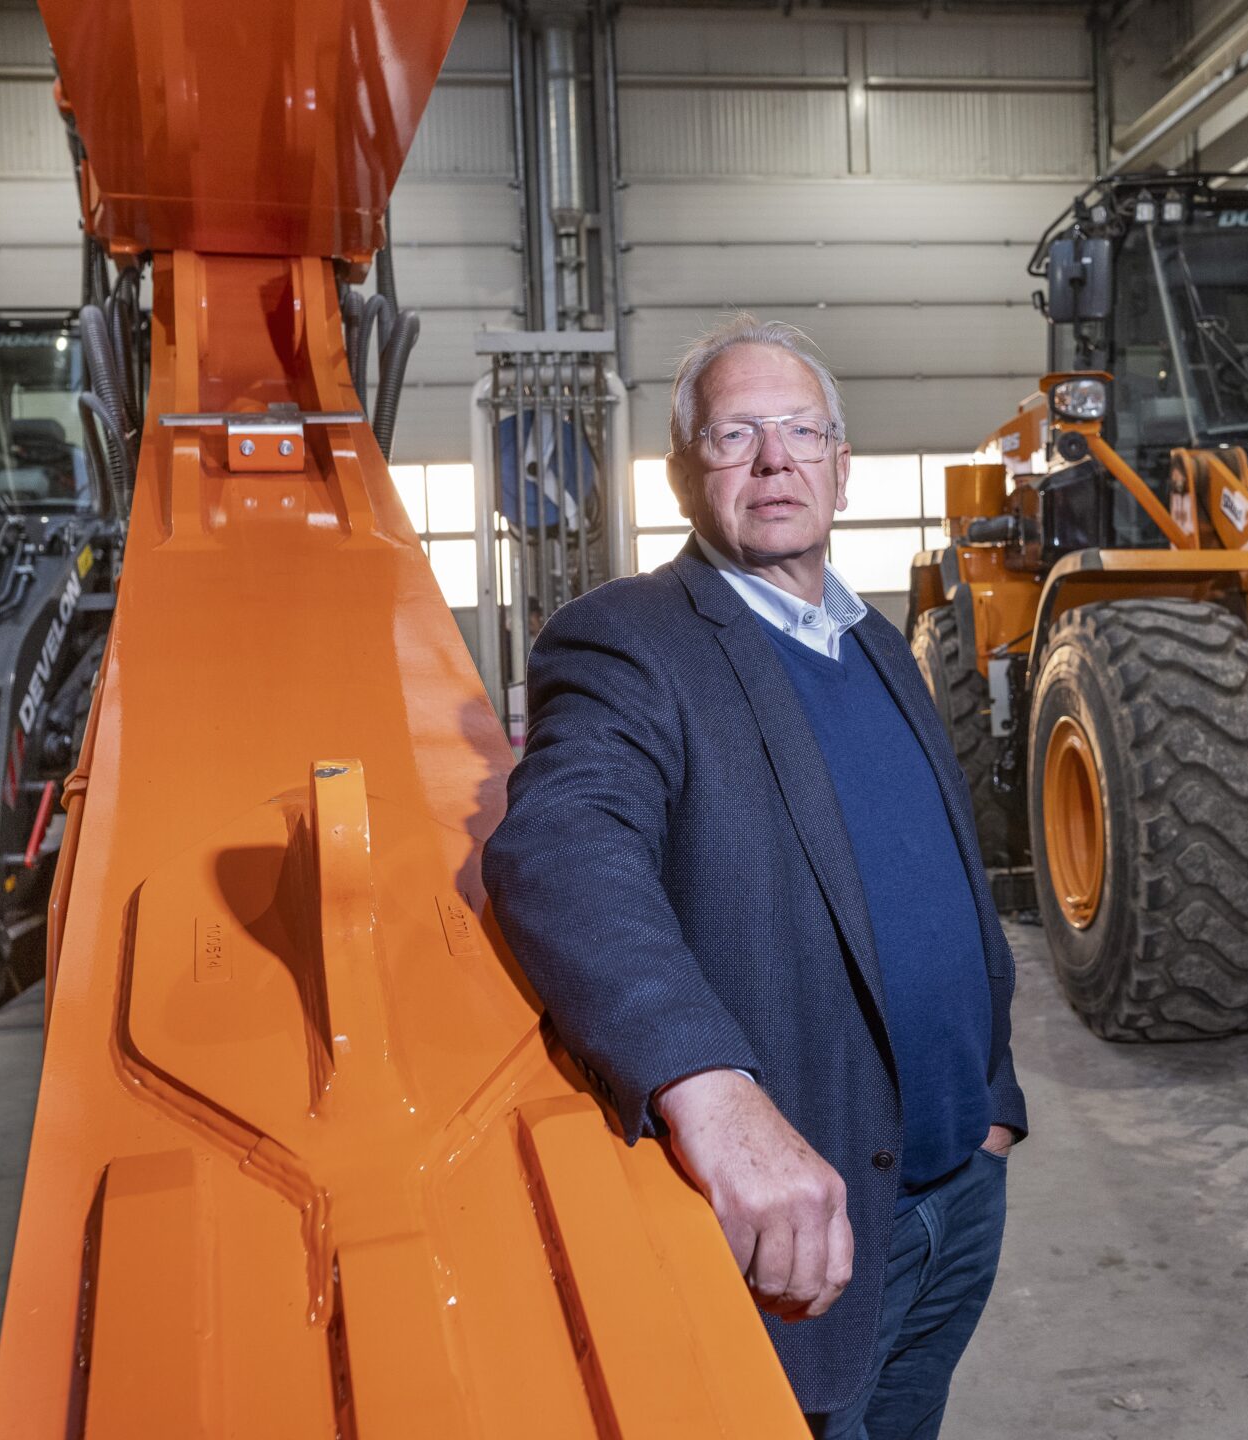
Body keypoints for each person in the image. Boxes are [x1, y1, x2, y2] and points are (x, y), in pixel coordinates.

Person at [483, 314, 1026, 1437]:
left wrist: (996, 1103)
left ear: (841, 465)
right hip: (817, 1218)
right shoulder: (628, 641)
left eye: (800, 431)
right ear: (686, 475)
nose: (775, 460)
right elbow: (562, 847)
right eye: (736, 435)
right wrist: (713, 1093)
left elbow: (950, 876)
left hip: (960, 1194)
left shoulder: (876, 640)